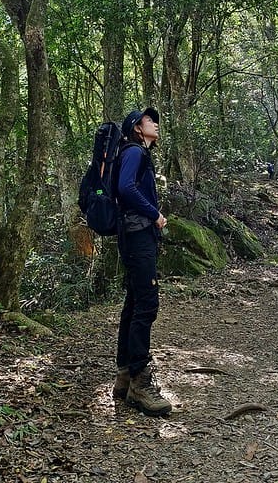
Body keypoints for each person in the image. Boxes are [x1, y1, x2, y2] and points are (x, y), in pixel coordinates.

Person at [112, 107, 172, 417]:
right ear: (137, 127)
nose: (156, 124)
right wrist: (155, 214)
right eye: (150, 120)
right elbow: (125, 188)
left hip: (134, 234)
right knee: (146, 304)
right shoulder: (134, 152)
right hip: (137, 235)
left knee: (134, 303)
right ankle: (139, 381)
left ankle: (124, 376)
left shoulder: (134, 153)